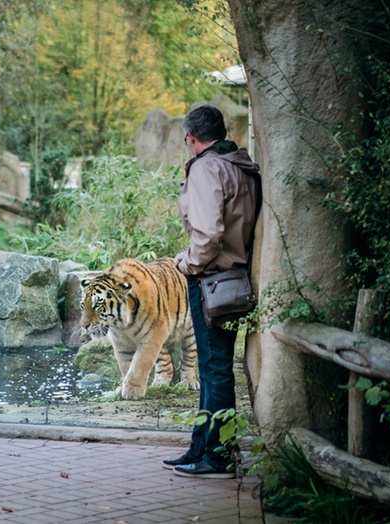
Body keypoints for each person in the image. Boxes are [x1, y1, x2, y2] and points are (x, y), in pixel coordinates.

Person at [167, 105, 260, 479]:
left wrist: (186, 262)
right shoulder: (239, 163)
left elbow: (207, 235)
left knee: (215, 368)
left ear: (191, 137)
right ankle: (201, 447)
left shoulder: (207, 168)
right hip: (234, 277)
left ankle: (219, 457)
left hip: (211, 278)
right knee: (212, 367)